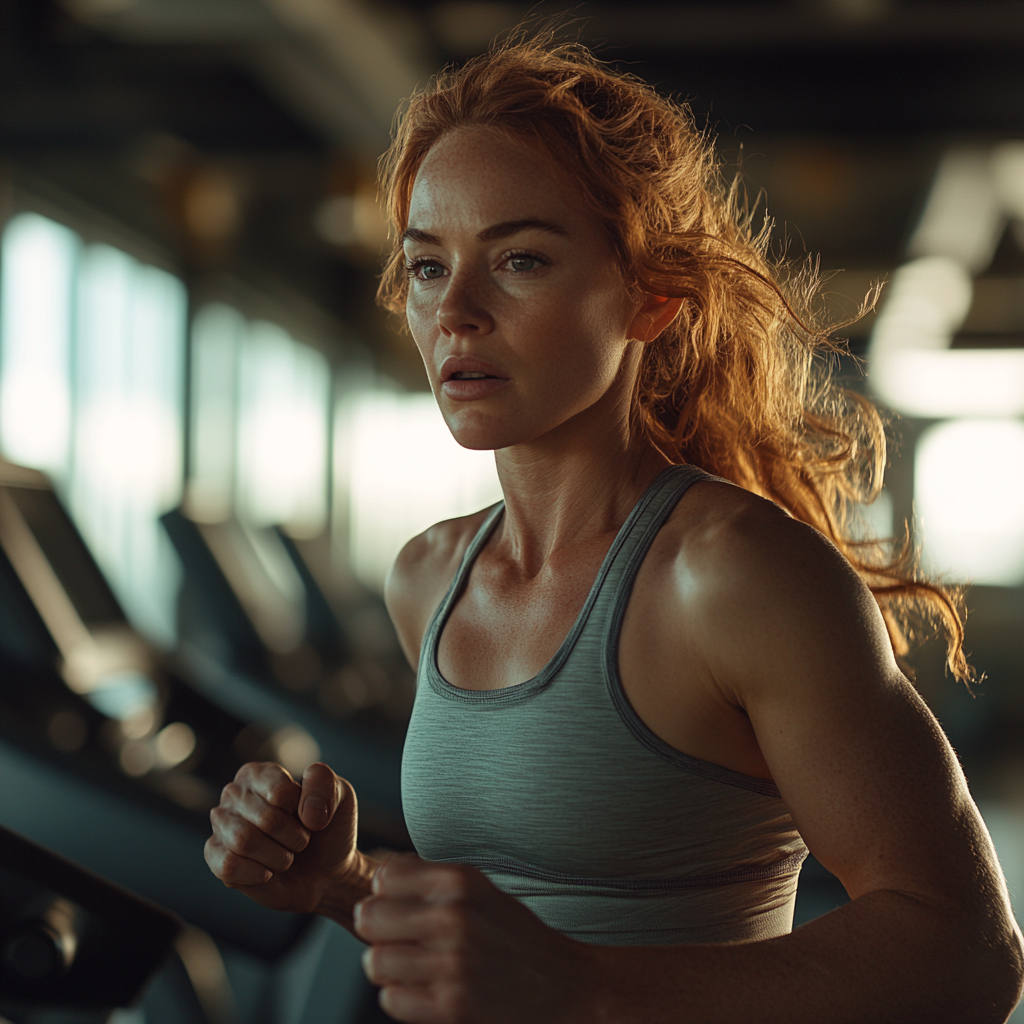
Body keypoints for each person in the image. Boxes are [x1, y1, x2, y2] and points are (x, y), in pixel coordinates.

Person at [204, 33, 1024, 1023]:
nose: (456, 311)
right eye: (427, 266)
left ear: (649, 297)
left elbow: (969, 953)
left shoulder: (735, 575)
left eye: (518, 259)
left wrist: (582, 985)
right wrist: (334, 884)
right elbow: (510, 940)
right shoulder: (428, 575)